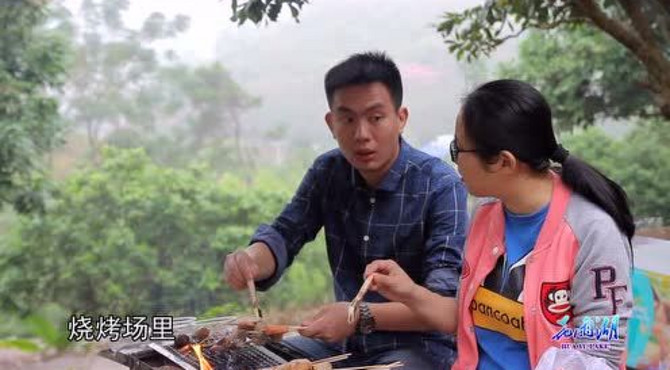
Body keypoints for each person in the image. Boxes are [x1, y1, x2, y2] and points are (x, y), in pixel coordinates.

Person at [365, 79, 635, 369]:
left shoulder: (592, 232)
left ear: (503, 162)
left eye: (458, 149)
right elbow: (465, 318)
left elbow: (600, 356)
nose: (454, 161)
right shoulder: (486, 215)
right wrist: (408, 291)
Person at [222, 51, 468, 368]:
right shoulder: (328, 170)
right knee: (249, 360)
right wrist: (252, 260)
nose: (361, 134)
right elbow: (286, 233)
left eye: (376, 118)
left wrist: (359, 316)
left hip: (419, 349)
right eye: (348, 119)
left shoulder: (441, 185)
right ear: (331, 122)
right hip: (340, 343)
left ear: (401, 118)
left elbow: (445, 305)